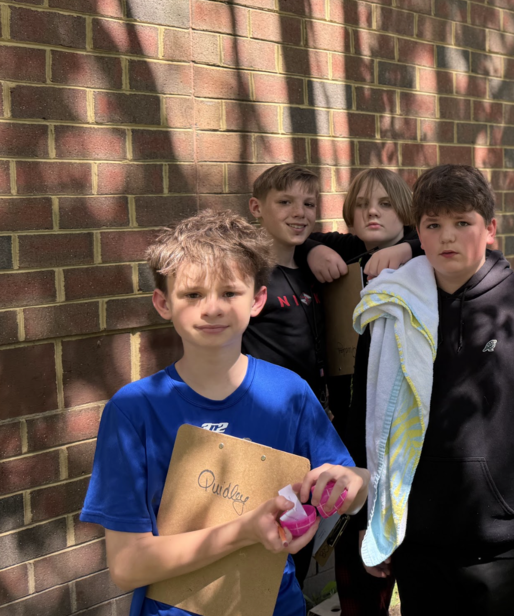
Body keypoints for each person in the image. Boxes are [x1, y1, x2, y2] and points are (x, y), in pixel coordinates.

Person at [79, 210, 369, 616]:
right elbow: (128, 566)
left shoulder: (289, 393)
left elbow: (355, 484)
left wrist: (351, 481)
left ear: (258, 300)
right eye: (192, 294)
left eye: (229, 293)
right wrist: (244, 531)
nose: (211, 308)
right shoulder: (133, 410)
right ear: (163, 303)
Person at [358, 164, 514, 616]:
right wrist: (373, 522)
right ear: (418, 235)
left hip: (513, 544)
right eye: (434, 225)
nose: (448, 237)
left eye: (462, 223)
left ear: (489, 229)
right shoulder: (391, 314)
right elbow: (368, 422)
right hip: (419, 539)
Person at [244, 163, 411, 590]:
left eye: (308, 204)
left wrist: (311, 250)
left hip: (313, 433)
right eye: (285, 202)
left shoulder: (313, 268)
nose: (299, 213)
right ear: (256, 207)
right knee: (260, 550)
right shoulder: (246, 275)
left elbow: (429, 236)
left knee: (293, 546)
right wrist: (311, 248)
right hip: (262, 434)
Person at [299, 167, 420, 616]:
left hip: (403, 427)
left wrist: (408, 247)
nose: (373, 211)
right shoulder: (350, 252)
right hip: (352, 426)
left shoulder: (422, 256)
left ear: (405, 212)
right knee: (356, 541)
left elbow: (458, 241)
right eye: (363, 204)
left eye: (385, 203)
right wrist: (313, 251)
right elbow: (297, 238)